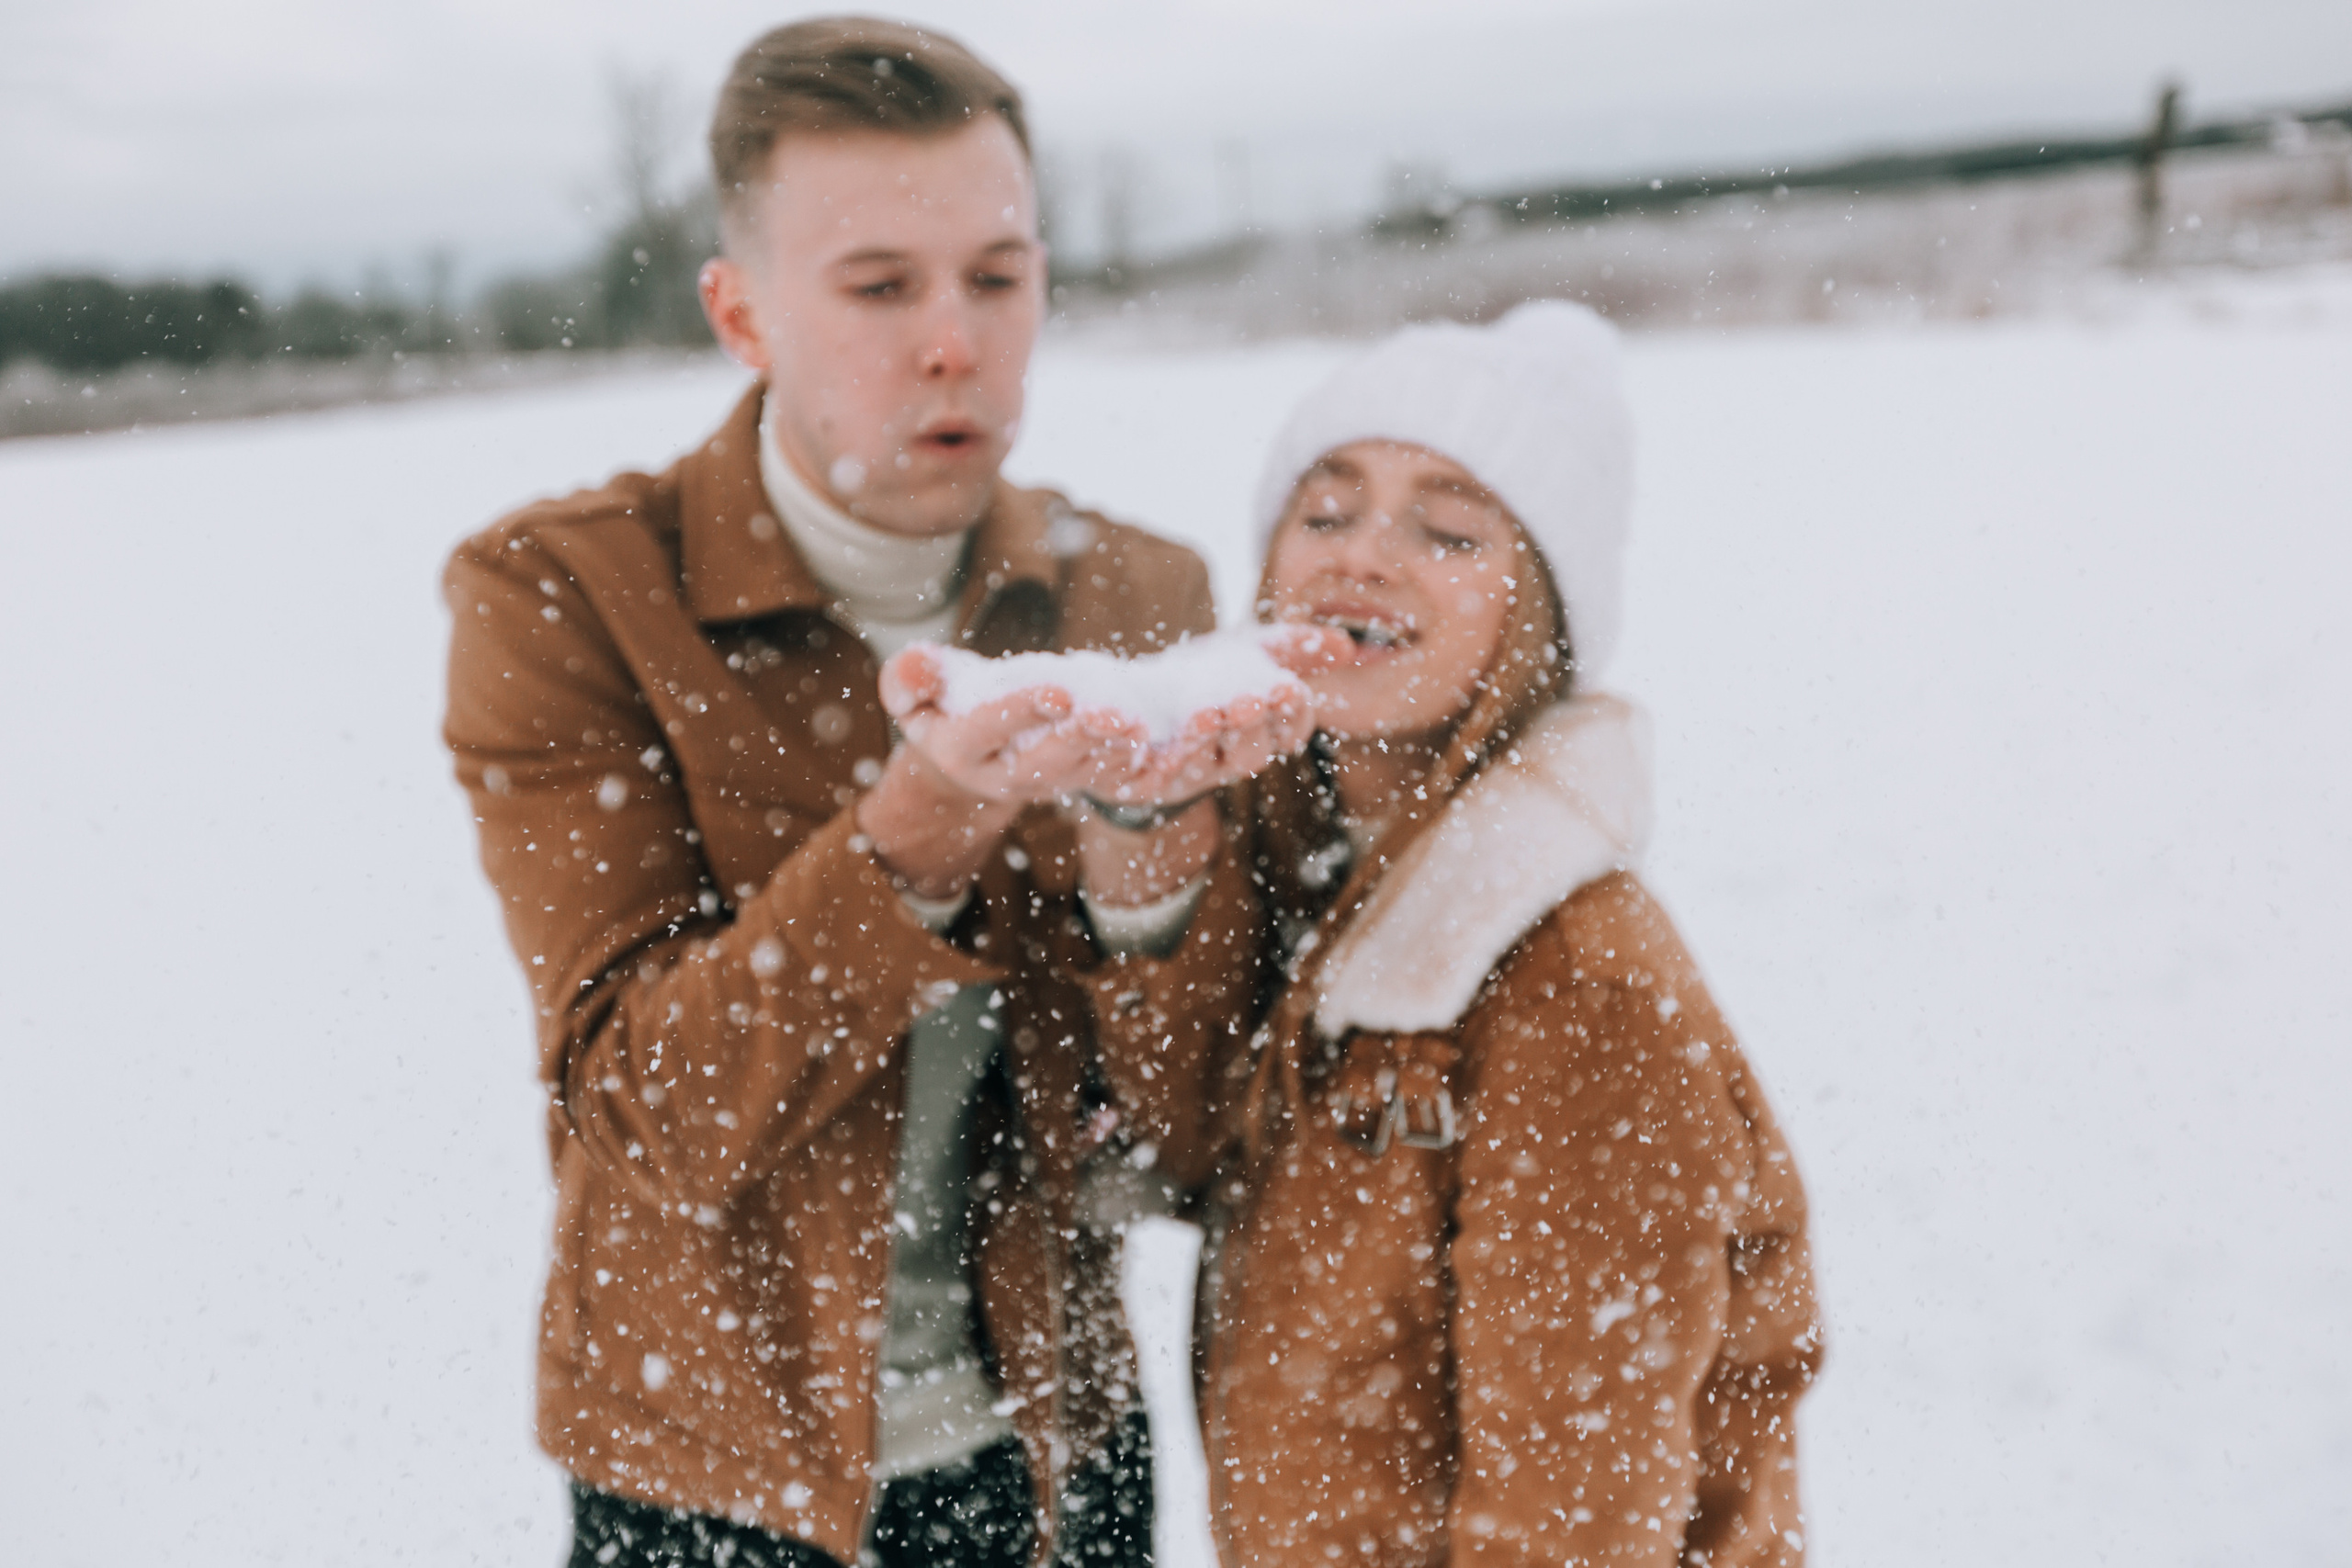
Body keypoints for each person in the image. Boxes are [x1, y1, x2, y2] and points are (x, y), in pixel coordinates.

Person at [441, 19, 1306, 1567]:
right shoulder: (573, 597)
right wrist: (915, 836)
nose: (955, 342)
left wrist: (1149, 865)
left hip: (1059, 1458)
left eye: (996, 273)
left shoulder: (1134, 588)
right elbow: (651, 1116)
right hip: (714, 1478)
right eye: (879, 286)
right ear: (742, 313)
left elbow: (1190, 1147)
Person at [1116, 301, 1825, 1565]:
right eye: (1324, 512)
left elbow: (1574, 1517)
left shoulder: (1573, 983)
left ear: (1540, 618)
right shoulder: (1326, 898)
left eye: (1446, 530)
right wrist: (1147, 854)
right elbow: (1167, 1147)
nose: (1363, 556)